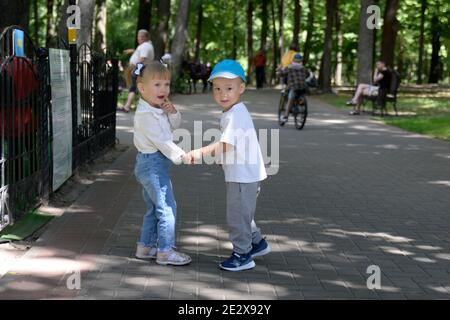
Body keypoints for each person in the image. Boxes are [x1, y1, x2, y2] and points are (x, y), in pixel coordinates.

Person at [186, 60, 270, 272]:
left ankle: (242, 255)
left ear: (241, 88)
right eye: (217, 88)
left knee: (237, 215)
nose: (223, 94)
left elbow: (226, 143)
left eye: (229, 88)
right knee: (243, 213)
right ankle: (257, 243)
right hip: (243, 174)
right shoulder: (232, 111)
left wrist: (201, 152)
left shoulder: (236, 114)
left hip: (243, 176)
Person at [133, 61, 191, 266]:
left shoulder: (156, 108)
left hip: (154, 164)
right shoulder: (146, 115)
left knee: (153, 207)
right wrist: (182, 156)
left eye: (166, 84)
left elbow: (173, 126)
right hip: (152, 165)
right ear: (142, 88)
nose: (163, 89)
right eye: (157, 85)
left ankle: (145, 247)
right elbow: (162, 141)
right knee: (167, 207)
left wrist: (172, 112)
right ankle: (165, 251)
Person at [120, 29, 155, 113]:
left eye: (139, 37)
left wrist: (135, 70)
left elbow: (142, 59)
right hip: (140, 68)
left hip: (139, 67)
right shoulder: (146, 45)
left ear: (143, 37)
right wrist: (132, 51)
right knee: (137, 88)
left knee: (134, 87)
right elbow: (141, 54)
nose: (138, 38)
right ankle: (130, 106)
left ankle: (127, 106)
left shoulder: (145, 46)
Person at [277, 53, 308, 125]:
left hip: (293, 88)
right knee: (301, 95)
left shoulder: (289, 68)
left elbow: (281, 73)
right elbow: (308, 74)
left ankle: (285, 116)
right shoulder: (303, 68)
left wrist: (279, 70)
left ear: (293, 60)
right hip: (303, 88)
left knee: (289, 101)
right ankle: (301, 102)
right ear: (301, 61)